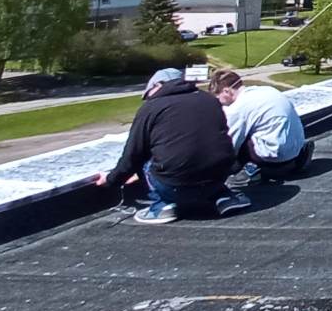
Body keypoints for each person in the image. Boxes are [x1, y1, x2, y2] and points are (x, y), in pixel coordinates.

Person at [91, 67, 247, 223]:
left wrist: (112, 180)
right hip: (218, 178)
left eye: (149, 92)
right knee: (204, 150)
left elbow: (134, 154)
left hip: (176, 186)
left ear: (158, 85)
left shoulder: (151, 108)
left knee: (148, 157)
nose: (149, 97)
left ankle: (162, 206)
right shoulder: (210, 100)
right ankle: (223, 197)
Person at [208, 68, 314, 184]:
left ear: (227, 91)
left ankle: (249, 172)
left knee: (235, 139)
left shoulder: (237, 108)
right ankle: (297, 160)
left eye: (218, 99)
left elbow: (230, 144)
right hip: (295, 146)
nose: (219, 104)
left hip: (275, 157)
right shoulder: (267, 90)